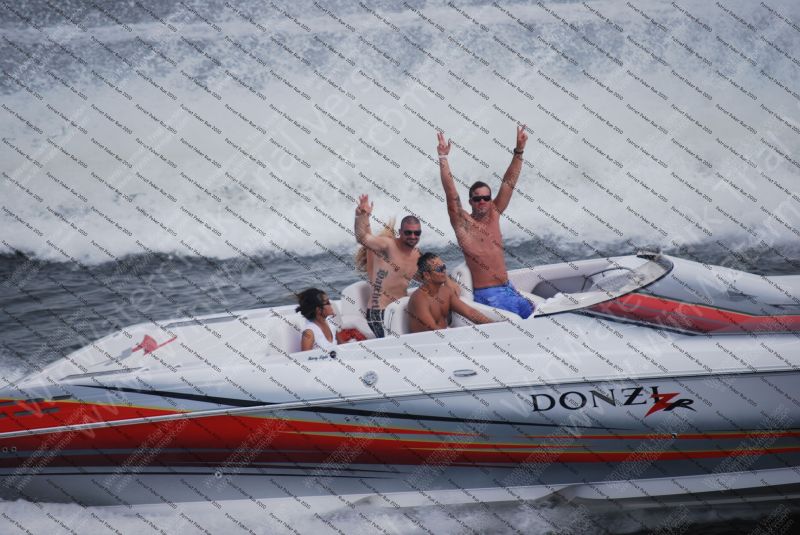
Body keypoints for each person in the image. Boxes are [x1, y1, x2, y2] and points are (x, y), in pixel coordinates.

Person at [436, 125, 534, 319]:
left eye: (486, 198)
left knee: (539, 316)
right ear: (470, 201)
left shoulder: (494, 214)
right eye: (477, 198)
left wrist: (519, 150)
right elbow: (451, 193)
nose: (482, 201)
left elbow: (509, 183)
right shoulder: (463, 224)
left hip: (508, 289)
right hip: (489, 295)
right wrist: (443, 158)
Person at [355, 194, 421, 338]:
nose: (413, 236)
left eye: (417, 233)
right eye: (408, 232)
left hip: (401, 309)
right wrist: (360, 216)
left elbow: (427, 278)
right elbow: (363, 238)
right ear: (400, 232)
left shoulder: (417, 255)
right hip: (379, 313)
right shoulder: (387, 245)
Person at [408, 253, 493, 333]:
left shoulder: (445, 292)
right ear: (427, 275)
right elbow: (432, 331)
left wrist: (494, 324)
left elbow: (470, 313)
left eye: (444, 267)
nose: (444, 271)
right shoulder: (419, 300)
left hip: (445, 336)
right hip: (429, 341)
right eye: (439, 269)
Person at [296, 288, 337, 353]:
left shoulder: (330, 322)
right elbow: (305, 358)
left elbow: (343, 345)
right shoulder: (309, 333)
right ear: (318, 310)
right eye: (327, 303)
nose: (330, 304)